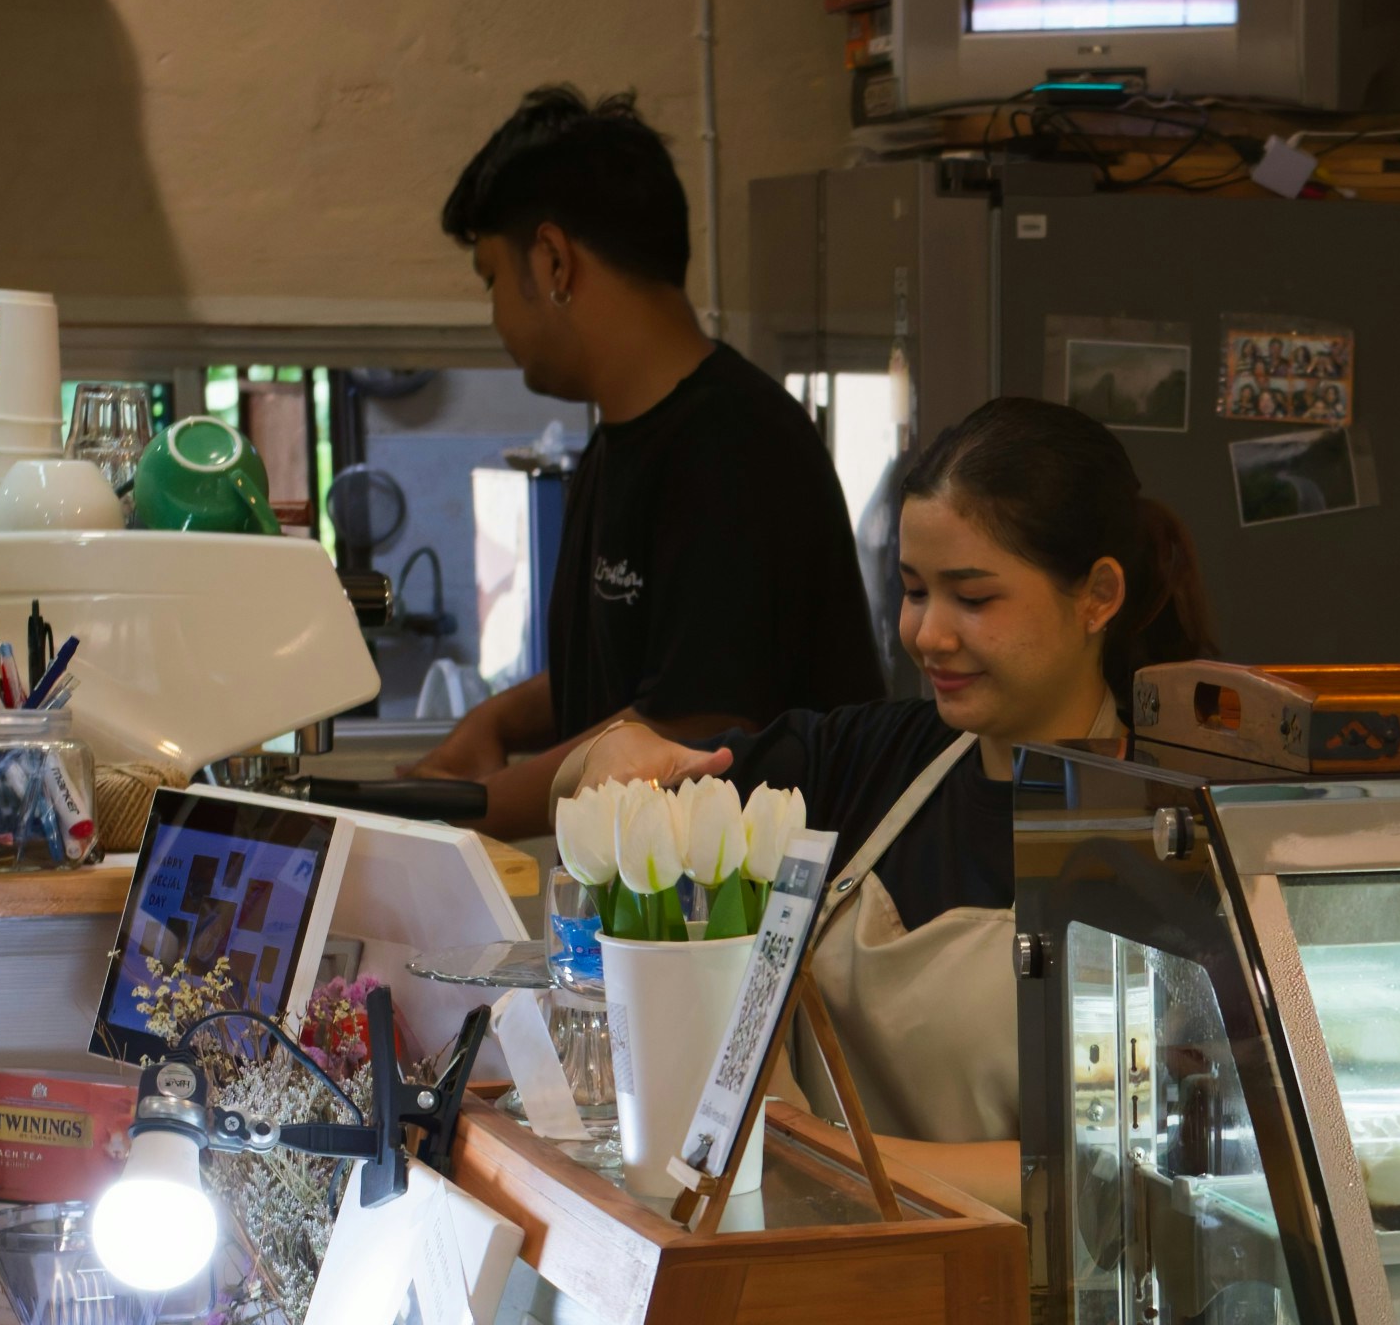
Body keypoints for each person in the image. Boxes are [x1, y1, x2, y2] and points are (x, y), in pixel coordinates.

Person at [538, 396, 1211, 1168]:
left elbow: (1107, 1166)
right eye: (915, 591)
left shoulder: (1163, 833)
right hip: (817, 1241)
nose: (928, 634)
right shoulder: (864, 760)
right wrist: (613, 753)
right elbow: (581, 789)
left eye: (974, 597)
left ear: (1098, 595)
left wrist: (827, 1153)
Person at [403, 88, 881, 824]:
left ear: (554, 261)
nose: (495, 315)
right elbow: (629, 671)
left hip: (756, 922)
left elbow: (693, 726)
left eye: (493, 279)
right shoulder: (620, 441)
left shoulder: (736, 447)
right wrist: (494, 726)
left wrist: (464, 807)